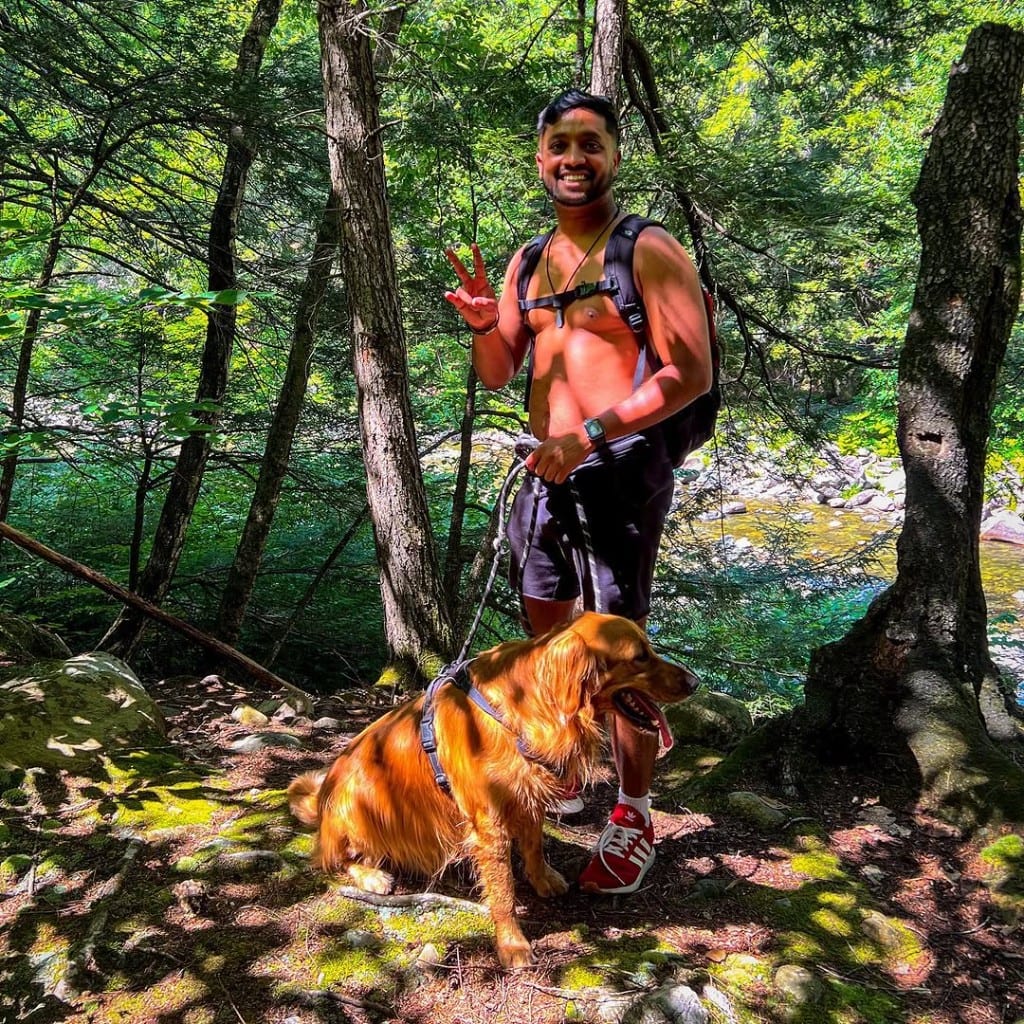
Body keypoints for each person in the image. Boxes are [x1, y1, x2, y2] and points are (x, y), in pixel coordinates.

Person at [443, 89, 712, 895]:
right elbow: (499, 375)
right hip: (544, 473)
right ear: (539, 159)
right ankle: (562, 770)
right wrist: (487, 323)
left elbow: (690, 374)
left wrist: (588, 437)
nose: (573, 158)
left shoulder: (649, 249)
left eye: (590, 143)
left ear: (614, 157)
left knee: (619, 657)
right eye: (559, 144)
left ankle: (633, 815)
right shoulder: (531, 261)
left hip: (618, 474)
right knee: (551, 639)